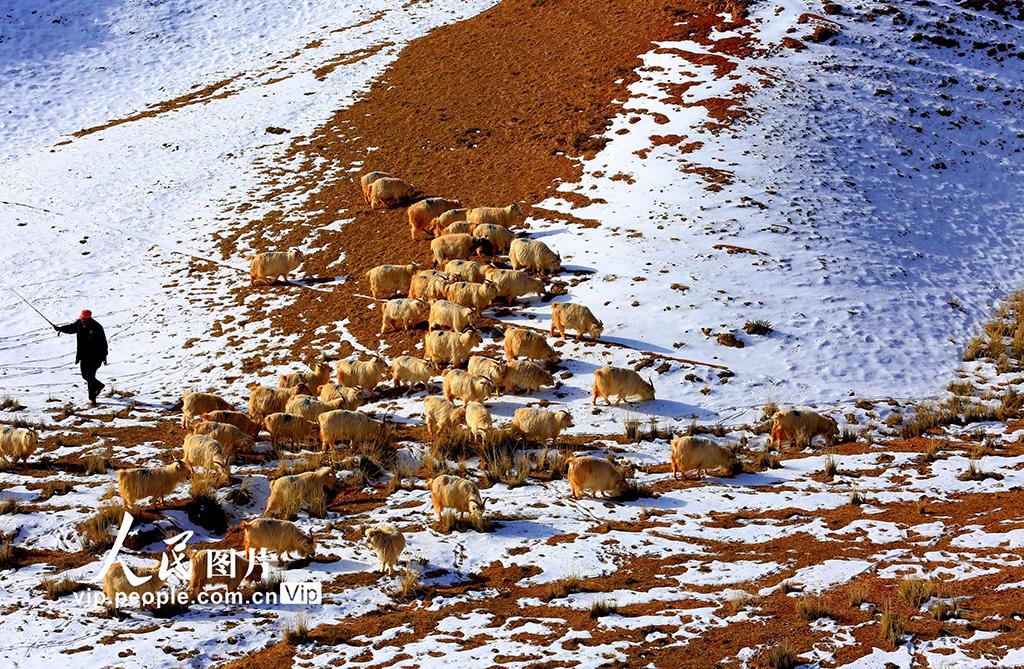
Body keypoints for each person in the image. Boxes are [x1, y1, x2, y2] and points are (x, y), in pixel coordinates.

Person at [55, 309, 108, 406]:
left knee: (90, 377)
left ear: (89, 318)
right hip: (84, 356)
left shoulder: (97, 327)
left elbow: (103, 343)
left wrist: (104, 357)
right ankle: (99, 385)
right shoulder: (79, 323)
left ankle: (92, 398)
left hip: (95, 356)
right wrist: (60, 329)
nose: (82, 320)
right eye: (81, 318)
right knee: (85, 376)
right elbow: (71, 328)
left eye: (83, 319)